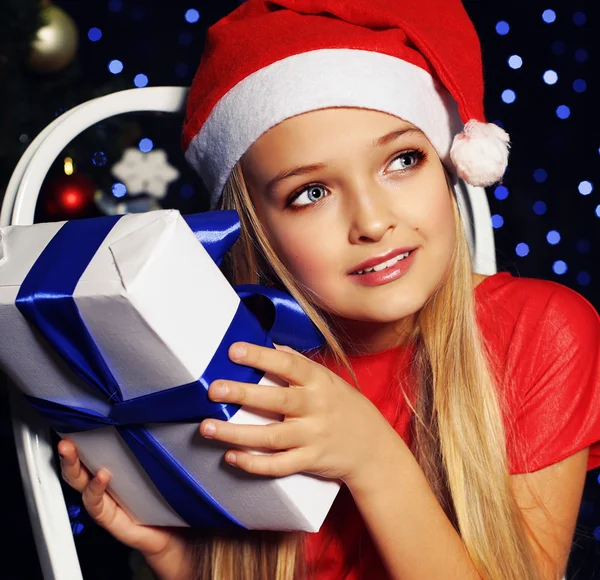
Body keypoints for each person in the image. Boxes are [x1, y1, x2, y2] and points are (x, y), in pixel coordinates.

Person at [58, 0, 600, 579]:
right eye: (311, 192)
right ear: (257, 230)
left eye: (403, 160)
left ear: (447, 165)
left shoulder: (542, 331)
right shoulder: (236, 363)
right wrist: (179, 559)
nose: (371, 221)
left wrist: (373, 460)